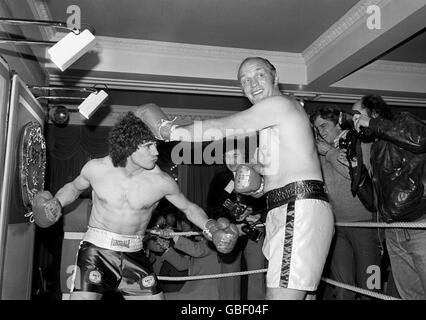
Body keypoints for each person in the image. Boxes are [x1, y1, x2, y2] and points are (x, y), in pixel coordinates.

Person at [135, 57, 335, 300]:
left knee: (280, 296)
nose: (252, 84)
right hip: (286, 208)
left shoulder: (281, 105)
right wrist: (250, 178)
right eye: (245, 80)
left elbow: (227, 125)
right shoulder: (272, 131)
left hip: (298, 208)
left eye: (259, 75)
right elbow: (265, 188)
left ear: (275, 77)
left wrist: (173, 130)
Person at [31, 112, 239, 300]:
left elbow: (189, 209)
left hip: (134, 252)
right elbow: (74, 188)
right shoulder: (97, 168)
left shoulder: (161, 181)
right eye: (148, 146)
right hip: (97, 251)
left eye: (155, 145)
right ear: (130, 146)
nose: (156, 152)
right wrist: (57, 201)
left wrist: (211, 227)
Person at [350, 94, 426, 299]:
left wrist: (374, 124)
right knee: (411, 296)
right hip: (394, 230)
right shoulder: (376, 148)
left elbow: (421, 139)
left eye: (357, 115)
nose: (354, 121)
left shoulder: (402, 121)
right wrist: (354, 169)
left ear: (374, 113)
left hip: (424, 225)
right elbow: (373, 203)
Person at [310, 106, 382, 299]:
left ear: (338, 123)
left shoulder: (359, 143)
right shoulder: (320, 154)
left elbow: (357, 179)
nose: (320, 131)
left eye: (324, 125)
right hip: (336, 227)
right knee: (342, 289)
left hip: (366, 226)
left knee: (370, 287)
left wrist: (331, 154)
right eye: (317, 129)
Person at [207, 148, 267, 300]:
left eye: (235, 155)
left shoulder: (259, 174)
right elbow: (212, 208)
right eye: (226, 156)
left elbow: (269, 201)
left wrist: (258, 214)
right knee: (229, 277)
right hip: (229, 233)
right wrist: (227, 224)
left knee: (257, 275)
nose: (231, 161)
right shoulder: (219, 179)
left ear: (245, 156)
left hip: (255, 232)